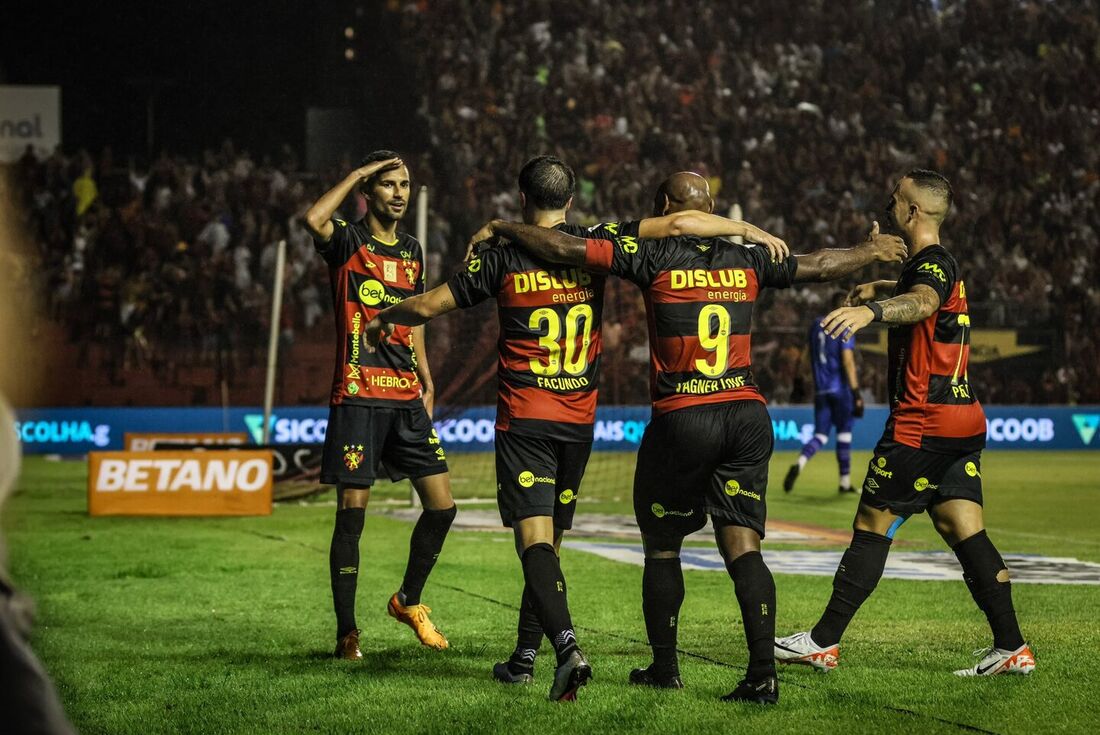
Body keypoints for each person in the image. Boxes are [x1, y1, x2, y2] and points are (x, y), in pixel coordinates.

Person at [466, 171, 907, 704]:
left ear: (666, 207)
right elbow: (818, 265)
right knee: (743, 546)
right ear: (712, 208)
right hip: (746, 413)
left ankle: (665, 667)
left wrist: (503, 227)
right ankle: (762, 675)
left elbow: (562, 245)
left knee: (662, 548)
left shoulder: (650, 255)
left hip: (683, 416)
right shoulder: (750, 255)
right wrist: (871, 249)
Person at [363, 155, 787, 701]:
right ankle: (522, 658)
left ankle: (566, 649)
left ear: (521, 199)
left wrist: (385, 317)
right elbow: (682, 222)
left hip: (526, 419)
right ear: (569, 201)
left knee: (534, 542)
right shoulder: (600, 243)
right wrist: (744, 228)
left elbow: (432, 304)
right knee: (551, 542)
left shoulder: (503, 256)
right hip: (578, 422)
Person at [774, 170, 1034, 677]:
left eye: (896, 198)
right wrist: (883, 281)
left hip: (923, 421)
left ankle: (822, 641)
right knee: (962, 527)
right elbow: (924, 292)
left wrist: (872, 310)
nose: (890, 203)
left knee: (872, 525)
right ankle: (1011, 646)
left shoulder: (933, 266)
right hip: (963, 418)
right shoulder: (933, 265)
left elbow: (923, 302)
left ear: (913, 211)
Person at [303, 151, 457, 660]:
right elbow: (312, 220)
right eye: (388, 184)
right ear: (370, 190)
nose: (399, 193)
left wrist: (428, 378)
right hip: (358, 396)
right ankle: (348, 632)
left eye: (405, 184)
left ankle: (407, 601)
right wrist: (351, 173)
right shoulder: (347, 239)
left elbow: (413, 320)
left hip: (405, 397)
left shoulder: (412, 250)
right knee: (352, 516)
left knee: (442, 505)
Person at [784, 291, 865, 494]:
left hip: (821, 390)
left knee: (820, 434)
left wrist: (798, 381)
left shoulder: (817, 325)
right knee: (844, 434)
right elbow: (847, 360)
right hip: (841, 389)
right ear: (844, 305)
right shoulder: (844, 325)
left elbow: (805, 355)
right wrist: (856, 393)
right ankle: (844, 482)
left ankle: (800, 463)